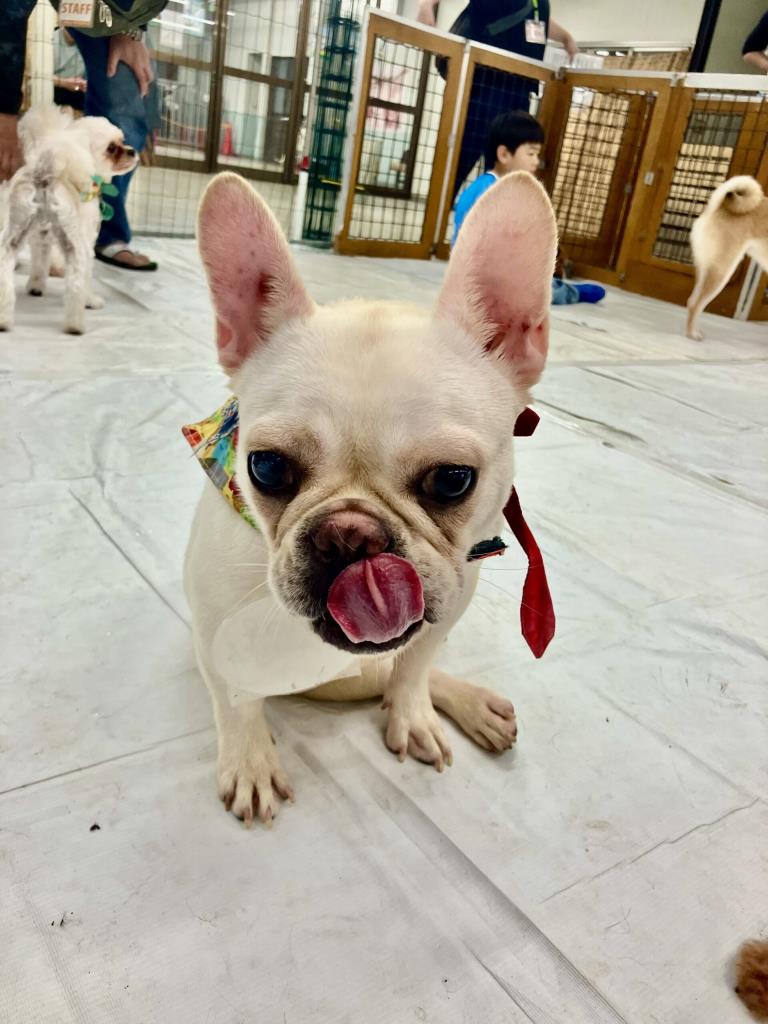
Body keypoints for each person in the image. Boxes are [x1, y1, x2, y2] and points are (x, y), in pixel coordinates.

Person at [1, 0, 166, 271]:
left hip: (112, 9)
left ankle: (100, 228)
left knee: (129, 90)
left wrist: (131, 30)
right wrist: (4, 110)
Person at [417, 0, 577, 198]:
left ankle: (490, 214)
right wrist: (426, 5)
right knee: (459, 164)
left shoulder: (538, 3)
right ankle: (441, 211)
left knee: (504, 173)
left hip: (519, 91)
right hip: (485, 85)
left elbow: (537, 19)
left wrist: (565, 37)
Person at [452, 111, 605, 305]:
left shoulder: (492, 186)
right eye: (531, 154)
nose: (536, 161)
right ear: (504, 154)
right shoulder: (493, 191)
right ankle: (572, 292)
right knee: (538, 292)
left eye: (537, 154)